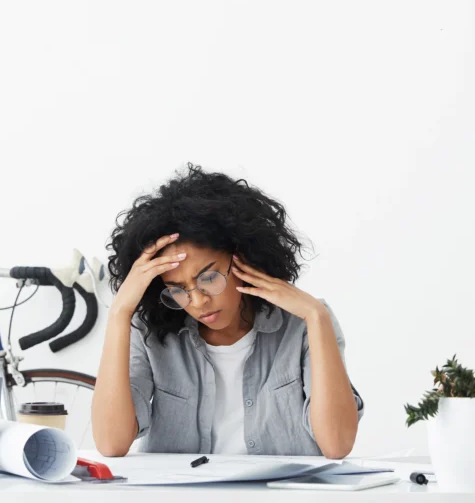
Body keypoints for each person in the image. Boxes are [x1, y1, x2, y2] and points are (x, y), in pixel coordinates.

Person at [91, 164, 364, 458]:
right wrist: (120, 312)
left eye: (209, 278)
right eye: (178, 289)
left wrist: (316, 316)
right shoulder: (148, 333)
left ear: (243, 259)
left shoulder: (303, 323)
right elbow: (111, 443)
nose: (197, 302)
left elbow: (336, 445)